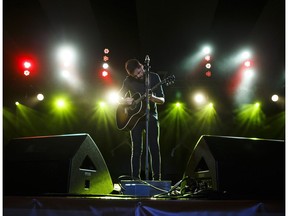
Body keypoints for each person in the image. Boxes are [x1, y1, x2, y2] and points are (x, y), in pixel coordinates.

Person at [118, 58, 165, 181]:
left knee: (154, 148)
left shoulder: (154, 77)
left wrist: (153, 98)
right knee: (136, 149)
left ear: (142, 66)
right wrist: (124, 101)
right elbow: (117, 97)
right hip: (135, 119)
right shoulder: (128, 80)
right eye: (135, 75)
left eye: (139, 72)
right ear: (130, 75)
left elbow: (162, 100)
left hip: (151, 116)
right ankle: (135, 180)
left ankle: (157, 180)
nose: (139, 76)